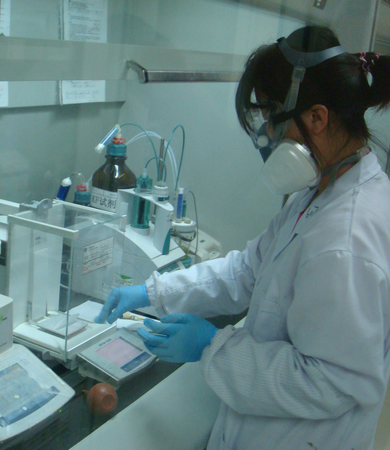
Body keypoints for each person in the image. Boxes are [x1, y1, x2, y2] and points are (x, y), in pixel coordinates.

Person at [96, 26, 390, 449]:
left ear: (317, 118)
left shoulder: (346, 240)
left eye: (272, 116)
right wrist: (153, 292)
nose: (266, 134)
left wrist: (212, 346)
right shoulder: (322, 191)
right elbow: (247, 271)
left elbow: (328, 383)